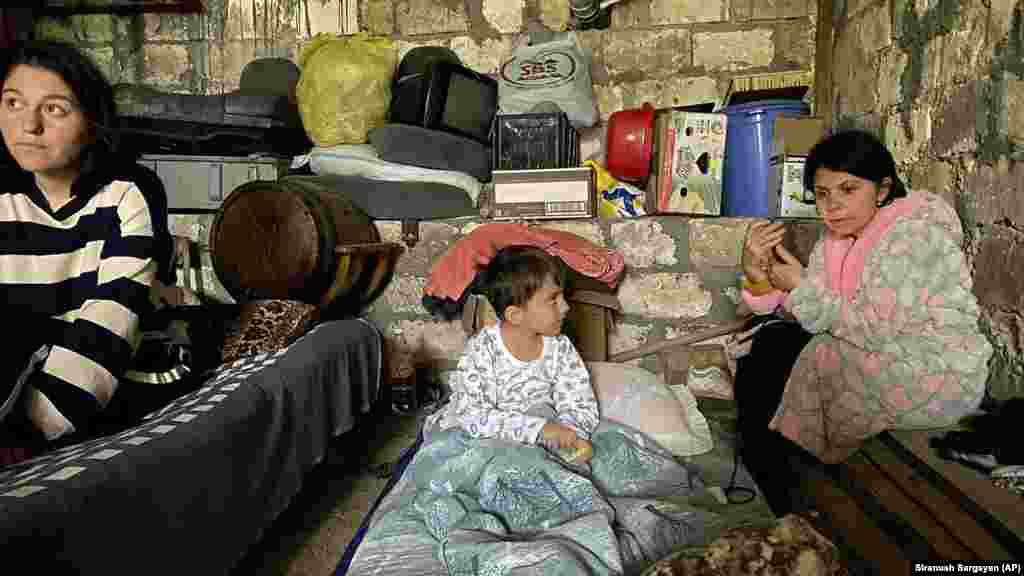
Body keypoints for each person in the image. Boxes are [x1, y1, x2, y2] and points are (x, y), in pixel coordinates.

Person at [732, 129, 993, 514]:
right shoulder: (835, 241)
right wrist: (759, 273)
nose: (833, 205)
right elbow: (809, 309)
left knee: (793, 354)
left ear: (882, 190)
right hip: (879, 352)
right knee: (774, 342)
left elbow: (875, 328)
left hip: (932, 370)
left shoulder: (913, 237)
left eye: (849, 189)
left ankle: (788, 493)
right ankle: (782, 490)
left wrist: (800, 288)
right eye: (823, 194)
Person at [0, 40, 168, 464]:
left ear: (92, 123)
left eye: (54, 109)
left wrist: (29, 433)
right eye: (13, 103)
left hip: (68, 409)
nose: (28, 126)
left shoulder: (127, 195)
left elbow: (109, 324)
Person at [425, 246, 600, 461]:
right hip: (490, 438)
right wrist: (539, 429)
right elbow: (474, 416)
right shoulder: (483, 349)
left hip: (546, 434)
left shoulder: (560, 347)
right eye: (553, 300)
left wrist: (569, 436)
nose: (565, 307)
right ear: (515, 315)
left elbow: (579, 403)